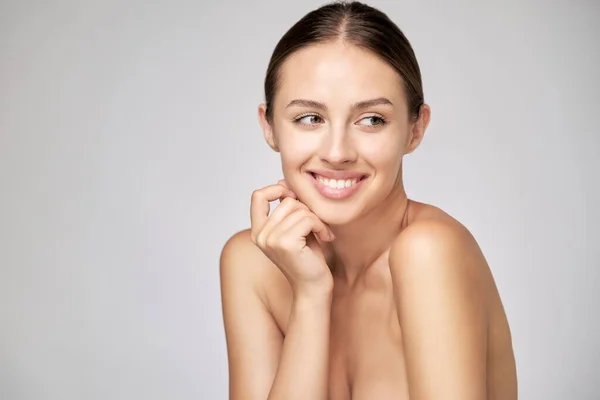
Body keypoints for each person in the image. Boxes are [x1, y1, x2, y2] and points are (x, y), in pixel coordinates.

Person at [219, 1, 518, 399]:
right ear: (269, 126)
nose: (338, 152)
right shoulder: (254, 262)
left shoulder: (429, 252)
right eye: (310, 118)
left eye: (371, 119)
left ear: (415, 129)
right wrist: (310, 297)